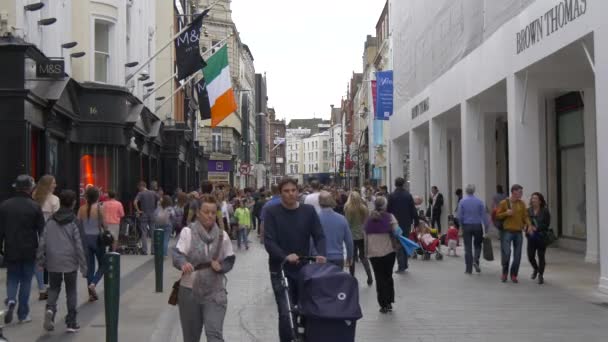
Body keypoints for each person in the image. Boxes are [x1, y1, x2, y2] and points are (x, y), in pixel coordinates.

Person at [264, 177, 326, 342]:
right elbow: (269, 241)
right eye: (286, 191)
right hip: (280, 269)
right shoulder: (272, 212)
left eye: (293, 190)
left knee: (306, 310)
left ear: (298, 191)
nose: (291, 194)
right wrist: (285, 256)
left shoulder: (308, 211)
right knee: (286, 312)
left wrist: (321, 253)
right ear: (280, 193)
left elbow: (319, 235)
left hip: (304, 269)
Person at [172, 194, 235, 342]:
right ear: (198, 212)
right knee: (191, 337)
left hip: (215, 291)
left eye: (213, 212)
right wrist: (183, 263)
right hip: (190, 290)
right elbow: (177, 254)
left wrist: (222, 266)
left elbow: (230, 258)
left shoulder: (222, 235)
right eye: (206, 212)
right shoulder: (188, 232)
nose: (210, 216)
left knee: (214, 334)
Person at [37, 190, 87, 333]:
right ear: (73, 203)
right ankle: (71, 322)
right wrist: (84, 266)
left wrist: (40, 260)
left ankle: (50, 310)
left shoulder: (51, 220)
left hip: (53, 261)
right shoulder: (74, 222)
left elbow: (42, 241)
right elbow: (79, 245)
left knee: (53, 288)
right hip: (70, 261)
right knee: (71, 291)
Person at [0, 175, 45, 324]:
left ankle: (11, 299)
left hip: (11, 248)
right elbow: (42, 230)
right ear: (30, 188)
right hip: (29, 249)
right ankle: (23, 313)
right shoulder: (35, 206)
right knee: (26, 280)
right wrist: (42, 250)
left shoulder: (5, 206)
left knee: (12, 278)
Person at [364, 196, 398, 314]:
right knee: (388, 276)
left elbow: (365, 236)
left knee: (379, 277)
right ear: (385, 205)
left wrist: (365, 252)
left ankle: (382, 304)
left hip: (373, 253)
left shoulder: (368, 218)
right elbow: (397, 231)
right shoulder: (389, 217)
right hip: (388, 251)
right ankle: (389, 302)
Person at [32, 175, 60, 301]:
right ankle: (48, 286)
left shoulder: (34, 197)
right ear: (48, 185)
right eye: (53, 183)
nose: (55, 185)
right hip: (49, 232)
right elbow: (57, 219)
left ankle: (41, 288)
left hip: (34, 233)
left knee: (38, 261)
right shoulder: (54, 200)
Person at [496, 184, 531, 283]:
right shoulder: (504, 202)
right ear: (514, 192)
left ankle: (514, 274)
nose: (521, 194)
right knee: (507, 253)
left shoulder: (522, 204)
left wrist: (529, 225)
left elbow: (525, 216)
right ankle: (504, 272)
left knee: (517, 255)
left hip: (518, 232)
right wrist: (506, 213)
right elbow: (497, 216)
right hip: (507, 231)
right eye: (520, 192)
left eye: (521, 192)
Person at [77, 187, 107, 302]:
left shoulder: (81, 209)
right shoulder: (100, 208)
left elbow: (78, 224)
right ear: (97, 197)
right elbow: (105, 225)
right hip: (97, 239)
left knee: (90, 267)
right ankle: (94, 283)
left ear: (86, 197)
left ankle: (91, 294)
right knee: (103, 264)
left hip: (85, 240)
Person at [387, 177, 419, 273]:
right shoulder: (408, 195)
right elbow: (413, 209)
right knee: (405, 241)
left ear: (395, 184)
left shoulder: (392, 196)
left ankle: (401, 265)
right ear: (403, 184)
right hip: (406, 223)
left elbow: (388, 210)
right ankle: (404, 263)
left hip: (395, 223)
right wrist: (416, 221)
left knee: (398, 243)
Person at [457, 184, 490, 274]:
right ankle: (476, 260)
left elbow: (459, 216)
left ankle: (468, 269)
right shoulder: (479, 202)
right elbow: (484, 216)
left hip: (466, 225)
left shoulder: (462, 202)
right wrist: (486, 227)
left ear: (467, 191)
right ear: (474, 191)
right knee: (478, 245)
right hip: (477, 225)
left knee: (468, 247)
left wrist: (460, 226)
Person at [317, 191, 353, 268]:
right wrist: (349, 257)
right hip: (338, 257)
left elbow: (311, 241)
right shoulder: (342, 219)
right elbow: (349, 241)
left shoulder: (315, 219)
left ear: (319, 203)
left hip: (321, 258)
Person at [344, 191, 373, 285]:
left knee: (352, 256)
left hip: (352, 235)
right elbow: (368, 222)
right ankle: (369, 276)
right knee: (363, 256)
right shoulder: (364, 208)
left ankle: (352, 278)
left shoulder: (348, 208)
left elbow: (347, 223)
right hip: (362, 234)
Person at [527, 192, 551, 285]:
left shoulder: (545, 211)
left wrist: (537, 228)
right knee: (530, 256)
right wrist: (528, 228)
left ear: (540, 201)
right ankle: (536, 268)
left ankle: (541, 275)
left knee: (541, 257)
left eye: (535, 198)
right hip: (531, 237)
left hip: (541, 237)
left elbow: (547, 224)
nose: (533, 200)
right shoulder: (528, 210)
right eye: (532, 198)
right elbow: (525, 221)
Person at [134, 181, 160, 255]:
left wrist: (138, 210)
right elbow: (160, 200)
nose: (138, 189)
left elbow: (135, 202)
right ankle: (153, 250)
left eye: (139, 188)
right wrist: (155, 208)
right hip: (152, 214)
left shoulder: (140, 193)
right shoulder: (153, 193)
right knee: (153, 232)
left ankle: (144, 250)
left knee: (144, 232)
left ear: (141, 186)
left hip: (144, 214)